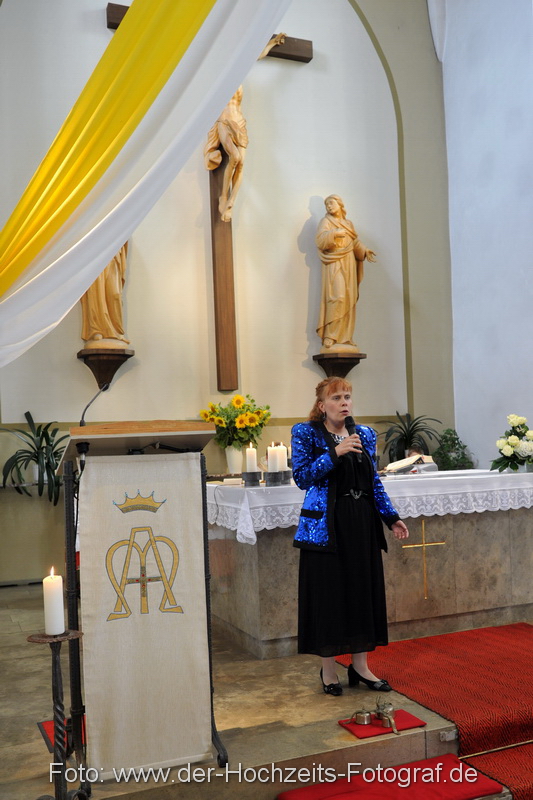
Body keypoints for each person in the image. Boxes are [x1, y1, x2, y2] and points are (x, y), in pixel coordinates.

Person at [291, 377, 409, 695]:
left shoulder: (365, 434)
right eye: (337, 398)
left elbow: (373, 481)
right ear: (322, 406)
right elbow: (302, 478)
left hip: (360, 524)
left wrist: (390, 518)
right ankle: (328, 671)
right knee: (329, 596)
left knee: (361, 592)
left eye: (348, 396)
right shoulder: (306, 433)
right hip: (326, 527)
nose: (345, 402)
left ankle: (361, 667)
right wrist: (335, 452)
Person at [204, 33, 285, 222]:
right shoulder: (218, 82)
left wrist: (272, 43)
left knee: (241, 165)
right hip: (224, 122)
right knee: (235, 157)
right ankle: (223, 195)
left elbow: (258, 56)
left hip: (239, 121)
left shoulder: (238, 75)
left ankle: (231, 200)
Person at [316, 195, 376, 352]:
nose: (329, 206)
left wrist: (364, 250)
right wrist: (334, 233)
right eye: (326, 204)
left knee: (348, 298)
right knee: (337, 296)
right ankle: (330, 335)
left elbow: (354, 242)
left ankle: (345, 337)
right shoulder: (326, 222)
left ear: (340, 204)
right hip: (335, 262)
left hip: (349, 263)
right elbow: (320, 240)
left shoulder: (348, 224)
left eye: (331, 203)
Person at [80, 243, 130, 348]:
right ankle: (97, 330)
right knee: (97, 295)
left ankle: (117, 331)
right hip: (96, 255)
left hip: (113, 256)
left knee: (115, 295)